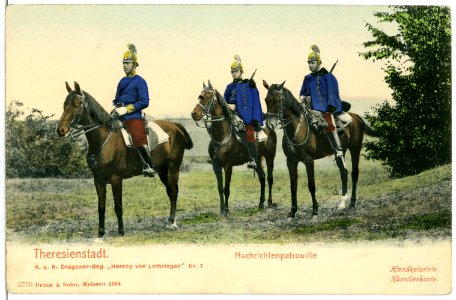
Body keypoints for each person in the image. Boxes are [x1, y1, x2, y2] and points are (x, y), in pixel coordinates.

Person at [111, 44, 157, 177]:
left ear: (135, 65)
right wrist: (117, 108)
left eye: (128, 63)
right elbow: (116, 99)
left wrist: (126, 109)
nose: (124, 65)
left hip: (133, 116)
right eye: (123, 63)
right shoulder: (122, 81)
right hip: (119, 115)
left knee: (137, 137)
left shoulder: (140, 81)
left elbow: (144, 101)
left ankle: (148, 165)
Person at [299, 45, 347, 170]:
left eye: (312, 63)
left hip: (326, 108)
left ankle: (338, 150)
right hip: (312, 109)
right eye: (309, 63)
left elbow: (332, 93)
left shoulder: (328, 77)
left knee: (328, 122)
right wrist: (303, 98)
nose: (310, 65)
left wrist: (330, 107)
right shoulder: (307, 78)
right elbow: (303, 93)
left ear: (319, 63)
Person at [224, 54, 264, 169]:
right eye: (232, 71)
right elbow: (224, 101)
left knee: (248, 132)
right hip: (230, 115)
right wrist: (227, 106)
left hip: (245, 115)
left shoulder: (248, 84)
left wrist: (236, 107)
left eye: (236, 71)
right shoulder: (229, 87)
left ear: (241, 72)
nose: (233, 73)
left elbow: (255, 102)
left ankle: (253, 159)